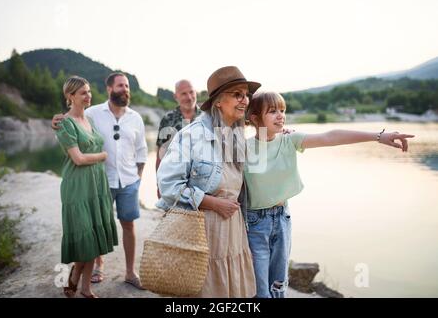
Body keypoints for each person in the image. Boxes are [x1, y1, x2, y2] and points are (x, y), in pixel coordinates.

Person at [244, 91, 415, 298]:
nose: (280, 115)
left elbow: (330, 137)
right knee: (260, 290)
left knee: (279, 286)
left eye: (282, 110)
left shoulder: (290, 140)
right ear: (255, 118)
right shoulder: (243, 149)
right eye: (272, 111)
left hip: (282, 219)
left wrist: (378, 136)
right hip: (254, 225)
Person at [156, 66, 260, 297]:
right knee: (205, 290)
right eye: (237, 94)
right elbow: (168, 186)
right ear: (219, 102)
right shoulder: (190, 135)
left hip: (232, 229)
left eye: (246, 94)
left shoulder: (237, 135)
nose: (245, 100)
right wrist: (213, 203)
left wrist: (282, 137)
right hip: (201, 227)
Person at [52, 73, 147, 289]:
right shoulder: (93, 113)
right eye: (120, 85)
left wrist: (139, 179)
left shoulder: (136, 118)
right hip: (100, 181)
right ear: (110, 89)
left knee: (128, 225)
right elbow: (70, 123)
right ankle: (98, 266)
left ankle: (131, 272)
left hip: (129, 181)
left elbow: (142, 151)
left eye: (127, 86)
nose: (125, 89)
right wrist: (55, 121)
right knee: (96, 226)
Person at [56, 76, 118, 298]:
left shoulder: (89, 120)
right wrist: (102, 155)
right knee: (85, 239)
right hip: (78, 187)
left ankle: (85, 288)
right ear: (70, 96)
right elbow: (78, 159)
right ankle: (73, 278)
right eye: (83, 92)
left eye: (89, 91)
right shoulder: (65, 123)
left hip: (96, 186)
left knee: (93, 238)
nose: (88, 95)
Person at [155, 80, 201, 196]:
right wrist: (159, 184)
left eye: (191, 92)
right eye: (184, 93)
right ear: (176, 96)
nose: (189, 97)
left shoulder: (206, 117)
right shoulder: (168, 119)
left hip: (202, 182)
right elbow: (161, 155)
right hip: (174, 181)